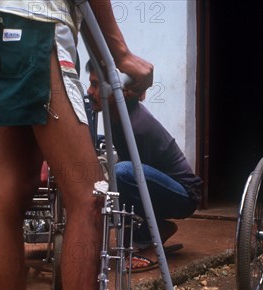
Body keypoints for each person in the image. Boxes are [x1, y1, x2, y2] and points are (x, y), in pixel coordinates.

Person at [0, 1, 153, 290]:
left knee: (8, 194)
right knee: (89, 196)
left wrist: (109, 57)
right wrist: (120, 53)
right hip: (40, 32)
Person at [86, 60, 202, 271]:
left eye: (95, 85)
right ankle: (158, 229)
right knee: (117, 176)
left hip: (184, 195)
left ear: (116, 91)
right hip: (158, 186)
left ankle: (150, 245)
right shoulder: (114, 117)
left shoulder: (137, 126)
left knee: (121, 173)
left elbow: (135, 183)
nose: (89, 90)